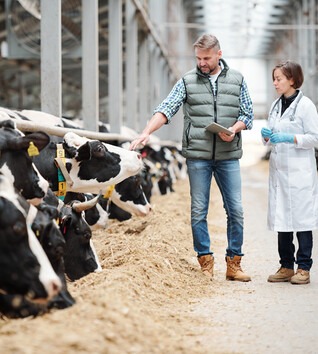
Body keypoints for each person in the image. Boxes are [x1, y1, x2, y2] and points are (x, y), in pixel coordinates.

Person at [130, 34, 254, 282]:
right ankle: (205, 260)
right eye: (198, 58)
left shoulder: (237, 79)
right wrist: (145, 133)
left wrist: (235, 129)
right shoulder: (187, 81)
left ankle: (234, 264)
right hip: (198, 156)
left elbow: (247, 113)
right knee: (199, 210)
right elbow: (167, 108)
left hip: (228, 155)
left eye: (206, 58)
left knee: (236, 210)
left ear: (219, 54)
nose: (202, 63)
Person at [261, 60, 318, 285]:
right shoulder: (276, 105)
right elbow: (270, 137)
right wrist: (265, 135)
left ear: (292, 80)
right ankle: (286, 266)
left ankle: (303, 267)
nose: (275, 83)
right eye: (274, 79)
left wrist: (290, 138)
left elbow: (314, 138)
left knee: (302, 221)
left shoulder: (306, 106)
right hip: (280, 172)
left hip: (300, 173)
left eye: (279, 79)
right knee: (282, 219)